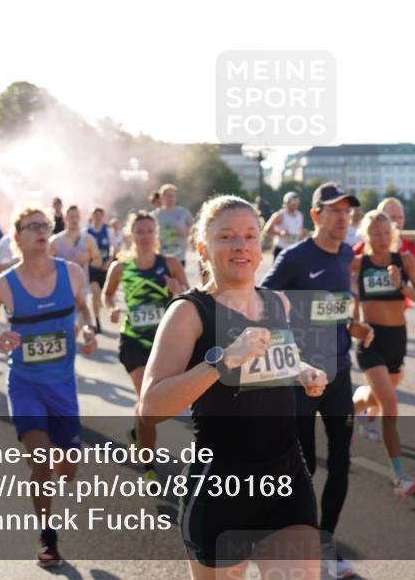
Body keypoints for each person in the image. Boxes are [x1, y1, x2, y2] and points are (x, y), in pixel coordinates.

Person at [140, 195, 326, 580]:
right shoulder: (189, 312)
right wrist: (222, 361)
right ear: (202, 248)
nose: (240, 245)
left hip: (286, 475)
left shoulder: (276, 303)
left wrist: (305, 371)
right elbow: (151, 407)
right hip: (221, 485)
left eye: (249, 235)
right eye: (226, 236)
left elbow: (279, 359)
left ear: (261, 245)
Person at [0, 206, 97, 567]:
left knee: (67, 470)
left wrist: (88, 330)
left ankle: (59, 462)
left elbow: (84, 309)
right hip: (25, 383)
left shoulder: (71, 273)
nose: (41, 230)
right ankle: (46, 535)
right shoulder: (3, 284)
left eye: (45, 225)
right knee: (41, 462)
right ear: (17, 237)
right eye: (32, 226)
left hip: (63, 384)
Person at [260, 182, 375, 579]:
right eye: (334, 210)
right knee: (304, 467)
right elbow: (261, 302)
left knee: (341, 463)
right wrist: (290, 349)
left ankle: (327, 544)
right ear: (315, 215)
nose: (343, 217)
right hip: (302, 379)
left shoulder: (346, 254)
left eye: (347, 211)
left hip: (339, 373)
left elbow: (336, 307)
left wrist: (354, 326)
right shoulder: (294, 258)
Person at [103, 212, 188, 482]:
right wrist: (112, 308)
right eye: (139, 231)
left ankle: (137, 431)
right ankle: (149, 465)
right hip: (134, 341)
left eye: (150, 231)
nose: (145, 236)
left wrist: (177, 290)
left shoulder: (169, 263)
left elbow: (188, 296)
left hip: (163, 342)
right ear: (131, 235)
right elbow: (107, 294)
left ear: (156, 233)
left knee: (156, 407)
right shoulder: (120, 268)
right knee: (147, 400)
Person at [350, 210, 415, 496]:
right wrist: (354, 326)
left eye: (386, 233)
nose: (382, 239)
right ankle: (399, 477)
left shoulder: (404, 260)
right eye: (375, 234)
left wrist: (401, 286)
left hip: (397, 340)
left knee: (374, 398)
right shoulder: (358, 264)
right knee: (389, 406)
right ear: (366, 236)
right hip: (371, 340)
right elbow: (348, 307)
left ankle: (348, 412)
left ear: (392, 234)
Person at [86, 206, 115, 332]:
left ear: (103, 217)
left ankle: (103, 312)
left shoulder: (108, 230)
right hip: (92, 268)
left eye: (100, 215)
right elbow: (84, 249)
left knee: (103, 296)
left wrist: (109, 261)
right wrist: (91, 261)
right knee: (96, 294)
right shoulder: (86, 232)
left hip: (105, 267)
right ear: (92, 216)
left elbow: (114, 247)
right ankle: (97, 321)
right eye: (95, 215)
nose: (97, 217)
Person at [152, 184, 192, 267]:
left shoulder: (184, 212)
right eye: (169, 196)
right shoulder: (155, 214)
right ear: (162, 197)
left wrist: (186, 232)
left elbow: (193, 229)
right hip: (161, 256)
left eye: (173, 196)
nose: (171, 198)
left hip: (179, 257)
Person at [263, 191, 308, 259]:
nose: (295, 204)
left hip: (294, 249)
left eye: (296, 202)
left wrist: (304, 233)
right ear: (286, 202)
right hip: (281, 249)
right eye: (292, 202)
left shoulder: (300, 215)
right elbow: (266, 230)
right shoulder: (279, 215)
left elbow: (300, 230)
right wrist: (280, 233)